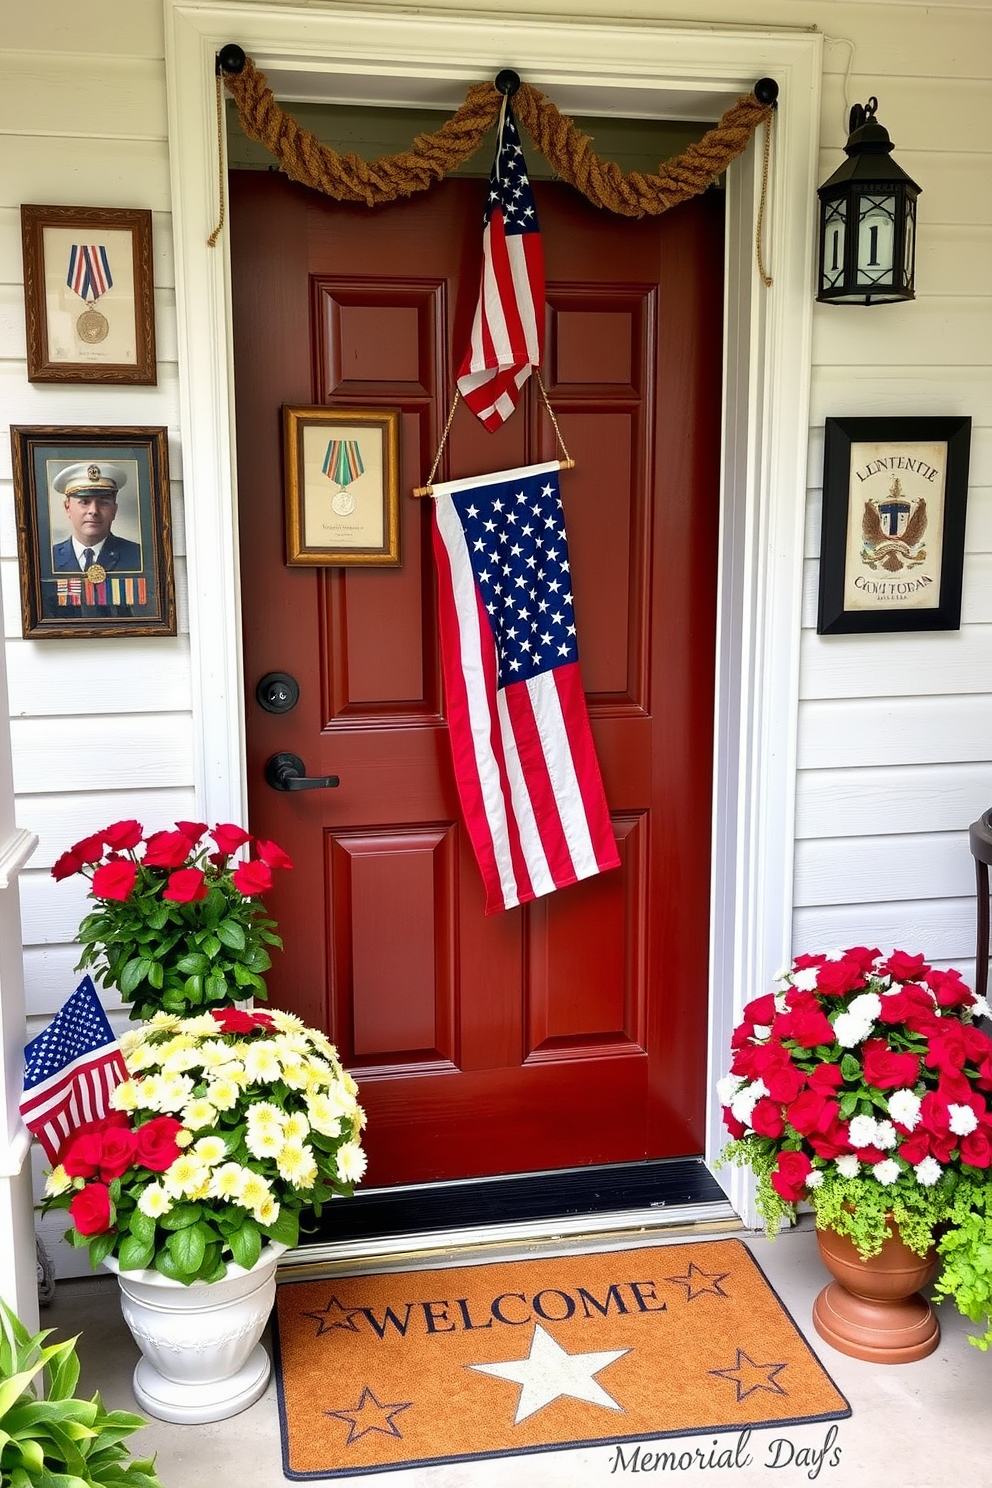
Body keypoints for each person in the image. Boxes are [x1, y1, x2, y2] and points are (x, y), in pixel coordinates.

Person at [51, 462, 142, 575]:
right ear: (67, 507)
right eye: (84, 502)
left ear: (114, 510)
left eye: (103, 502)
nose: (94, 511)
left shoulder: (138, 556)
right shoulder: (48, 558)